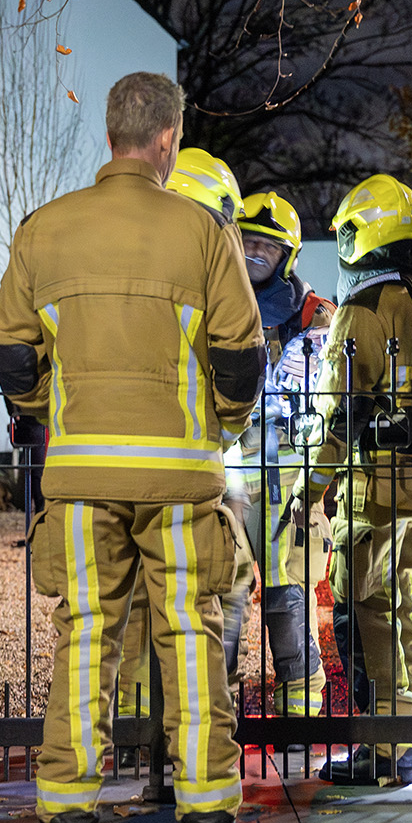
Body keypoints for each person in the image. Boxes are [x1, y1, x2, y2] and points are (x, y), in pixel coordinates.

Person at [0, 72, 265, 823]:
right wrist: (221, 427)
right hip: (182, 481)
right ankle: (210, 820)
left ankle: (70, 818)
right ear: (169, 140)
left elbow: (10, 347)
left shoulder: (45, 230)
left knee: (87, 639)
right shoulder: (203, 233)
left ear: (109, 136)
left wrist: (53, 409)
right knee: (191, 636)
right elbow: (241, 357)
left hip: (79, 479)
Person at [289, 174, 412, 784]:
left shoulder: (363, 311)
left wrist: (307, 485)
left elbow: (338, 415)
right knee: (408, 605)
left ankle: (385, 748)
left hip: (374, 485)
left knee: (366, 609)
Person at [114, 147, 250, 717]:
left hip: (124, 459)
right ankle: (194, 726)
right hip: (198, 463)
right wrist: (228, 428)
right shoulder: (212, 260)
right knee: (211, 594)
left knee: (142, 601)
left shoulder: (130, 261)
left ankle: (143, 727)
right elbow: (241, 360)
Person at [225, 190, 334, 719]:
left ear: (287, 254)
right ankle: (216, 706)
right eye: (249, 240)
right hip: (226, 473)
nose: (255, 252)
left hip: (287, 476)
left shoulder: (316, 318)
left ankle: (301, 704)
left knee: (287, 588)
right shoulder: (213, 302)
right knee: (223, 584)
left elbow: (338, 391)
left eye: (268, 245)